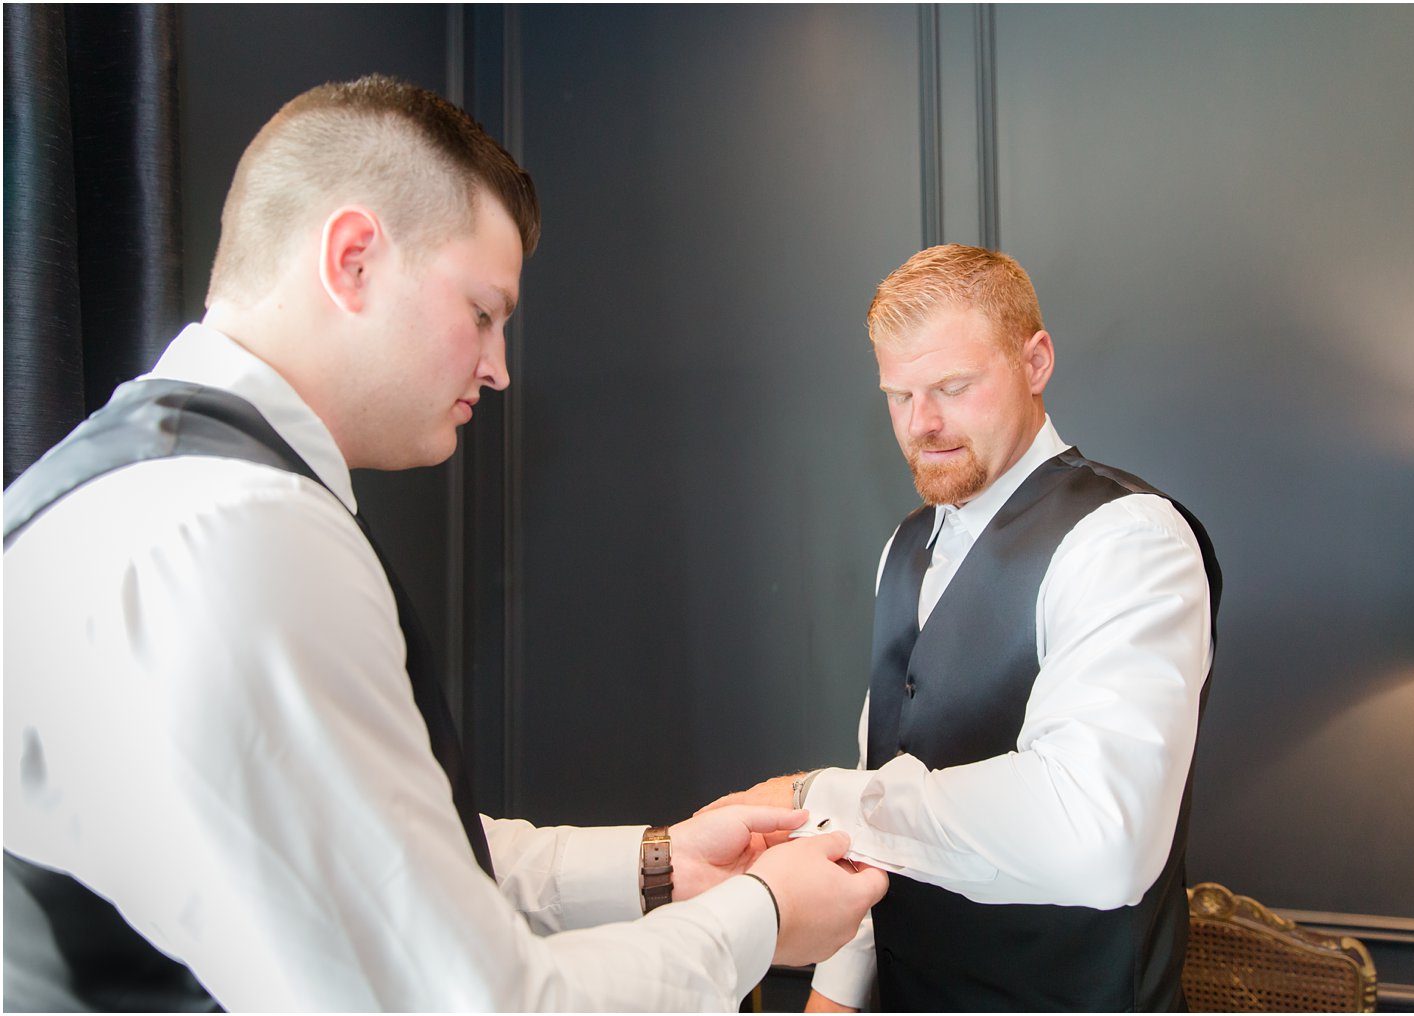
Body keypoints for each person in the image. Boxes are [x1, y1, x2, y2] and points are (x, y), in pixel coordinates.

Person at [2, 75, 885, 1011]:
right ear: (352, 260)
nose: (499, 368)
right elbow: (475, 1000)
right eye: (481, 312)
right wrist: (760, 917)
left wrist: (658, 862)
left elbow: (376, 854)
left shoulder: (131, 479)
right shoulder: (240, 533)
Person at [706, 244, 1221, 1011]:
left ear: (1036, 360)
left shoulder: (1127, 539)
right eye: (898, 395)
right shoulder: (905, 545)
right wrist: (836, 997)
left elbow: (1099, 833)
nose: (923, 424)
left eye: (953, 386)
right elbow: (885, 779)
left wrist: (820, 795)